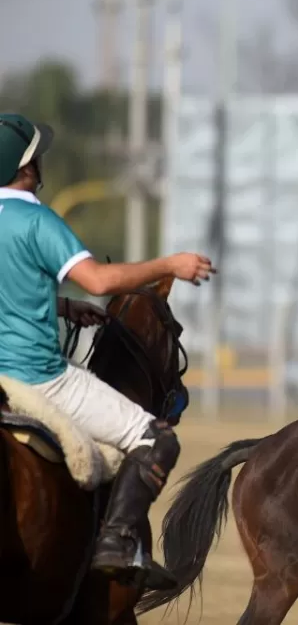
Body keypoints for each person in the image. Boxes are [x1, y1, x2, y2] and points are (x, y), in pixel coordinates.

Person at [0, 113, 215, 581]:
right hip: (37, 376)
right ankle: (117, 543)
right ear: (28, 167)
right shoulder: (35, 219)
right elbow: (98, 279)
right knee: (155, 438)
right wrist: (169, 264)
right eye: (38, 158)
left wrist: (60, 306)